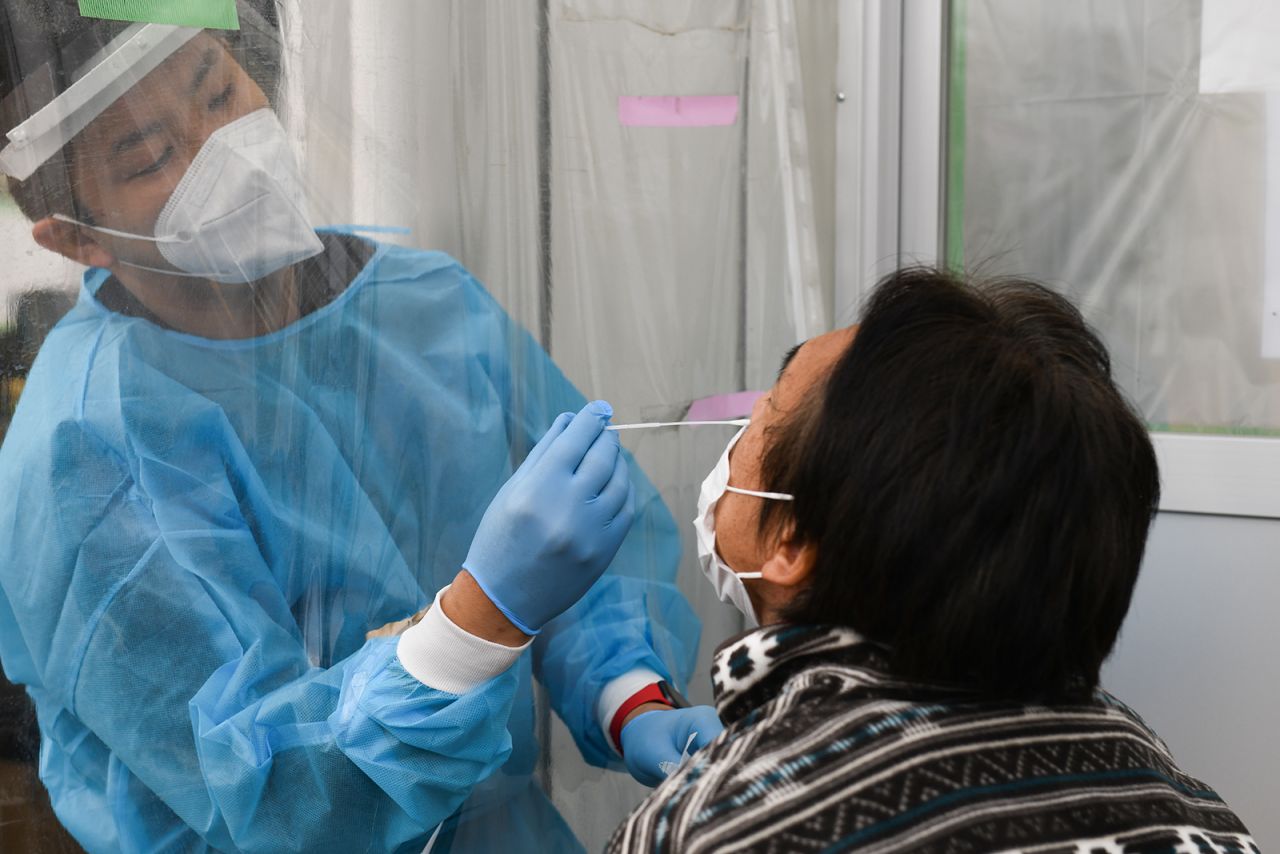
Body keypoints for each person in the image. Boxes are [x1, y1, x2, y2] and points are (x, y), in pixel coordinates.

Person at [0, 3, 721, 851]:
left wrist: (626, 691)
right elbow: (277, 796)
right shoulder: (88, 450)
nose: (221, 151)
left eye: (219, 93)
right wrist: (474, 623)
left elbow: (589, 549)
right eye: (154, 154)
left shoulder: (423, 305)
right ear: (76, 235)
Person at [611, 269, 1258, 853]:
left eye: (762, 412)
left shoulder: (712, 827)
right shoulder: (1198, 812)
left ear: (793, 537)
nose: (735, 441)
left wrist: (503, 618)